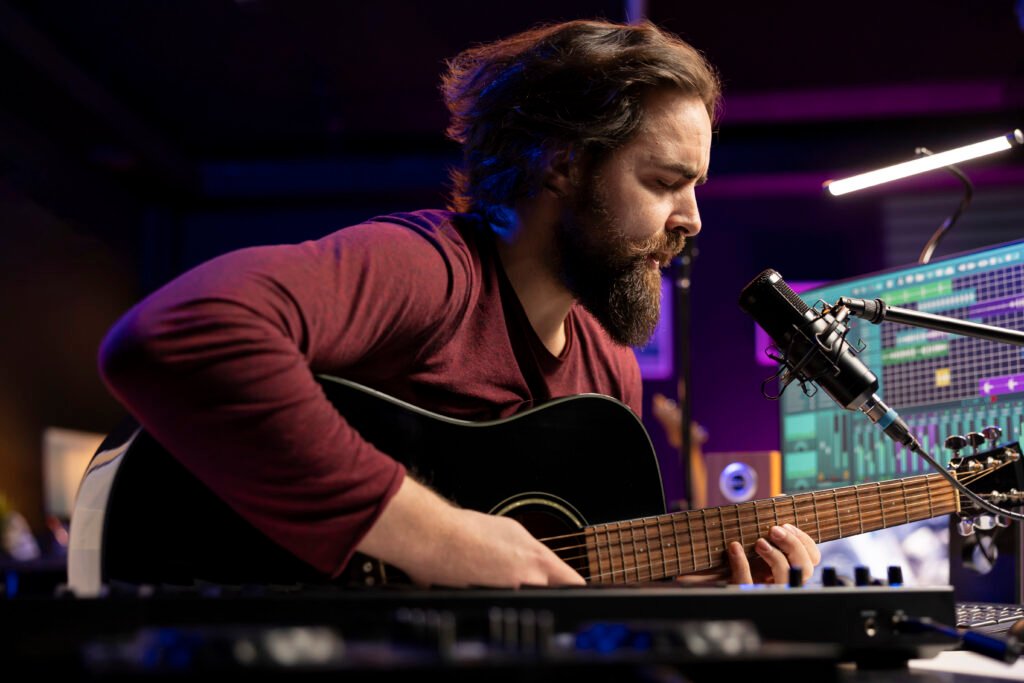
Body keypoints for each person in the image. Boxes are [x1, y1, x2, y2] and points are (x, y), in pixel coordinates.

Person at [98, 18, 820, 590]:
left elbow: (550, 587)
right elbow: (177, 334)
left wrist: (674, 583)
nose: (692, 219)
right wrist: (436, 535)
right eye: (666, 181)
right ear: (563, 161)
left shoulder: (608, 371)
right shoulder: (433, 271)